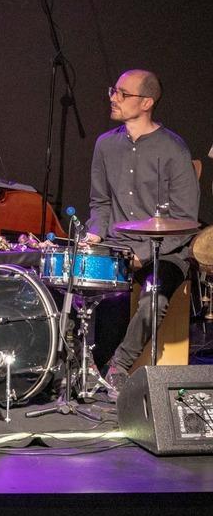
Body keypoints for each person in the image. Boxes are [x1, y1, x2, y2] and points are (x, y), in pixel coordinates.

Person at [85, 69, 199, 396]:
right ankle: (87, 365)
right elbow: (100, 201)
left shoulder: (174, 149)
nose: (113, 98)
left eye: (123, 94)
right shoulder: (105, 145)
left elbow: (185, 219)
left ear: (146, 102)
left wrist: (144, 254)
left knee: (154, 297)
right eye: (113, 91)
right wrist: (95, 232)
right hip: (118, 244)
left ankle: (118, 366)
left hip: (166, 251)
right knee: (79, 285)